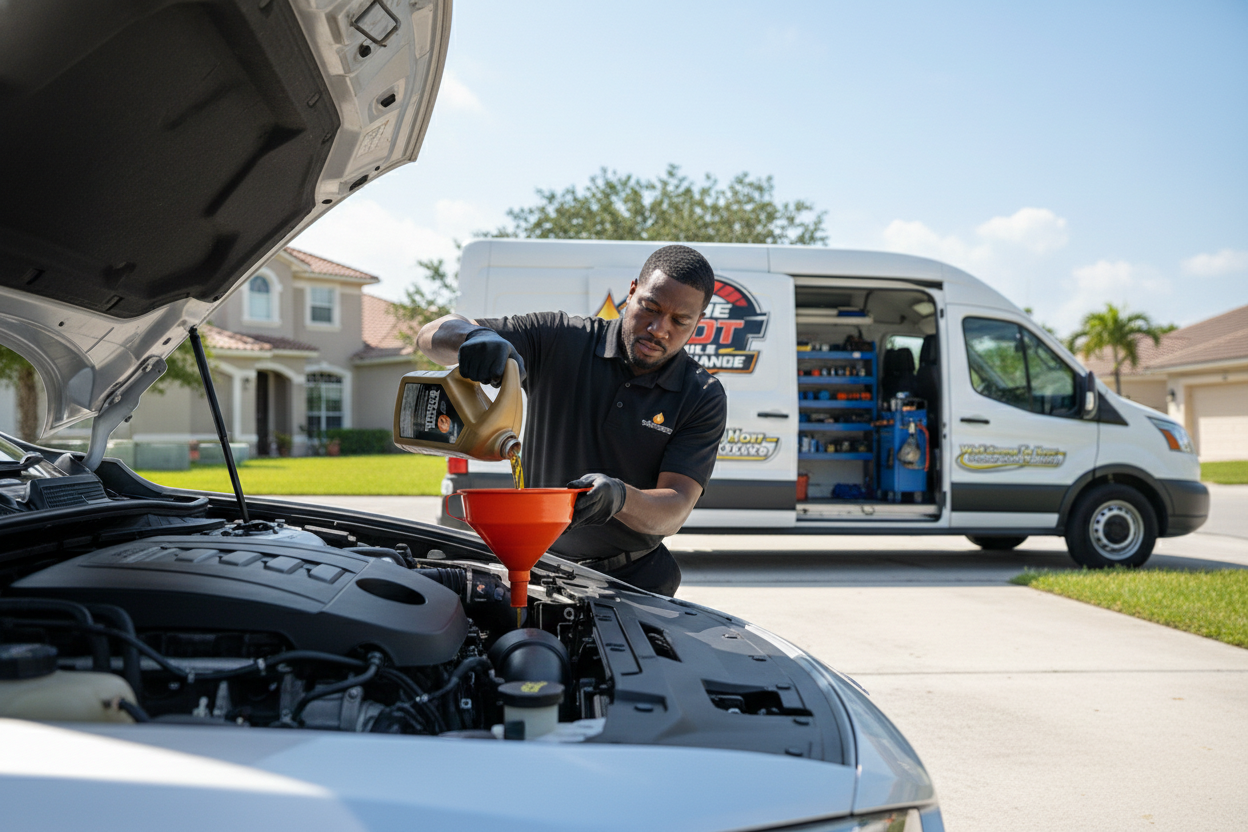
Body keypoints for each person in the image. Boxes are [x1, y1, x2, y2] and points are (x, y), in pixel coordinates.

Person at [415, 244, 727, 595]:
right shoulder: (559, 340)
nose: (658, 328)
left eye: (679, 321)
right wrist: (472, 338)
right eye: (649, 308)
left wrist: (620, 497)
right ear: (632, 292)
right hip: (536, 564)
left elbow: (675, 509)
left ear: (699, 322)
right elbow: (430, 335)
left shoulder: (701, 394)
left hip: (633, 578)